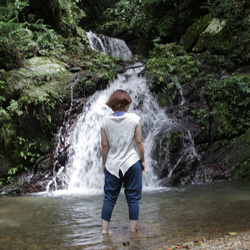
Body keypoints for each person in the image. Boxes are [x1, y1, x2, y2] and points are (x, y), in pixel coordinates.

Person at [100, 89, 146, 235]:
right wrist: (142, 160)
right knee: (133, 198)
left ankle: (104, 231)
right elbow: (139, 142)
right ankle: (133, 231)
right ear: (125, 103)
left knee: (109, 198)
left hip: (113, 165)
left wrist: (104, 163)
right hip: (132, 163)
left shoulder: (105, 121)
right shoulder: (134, 119)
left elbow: (104, 145)